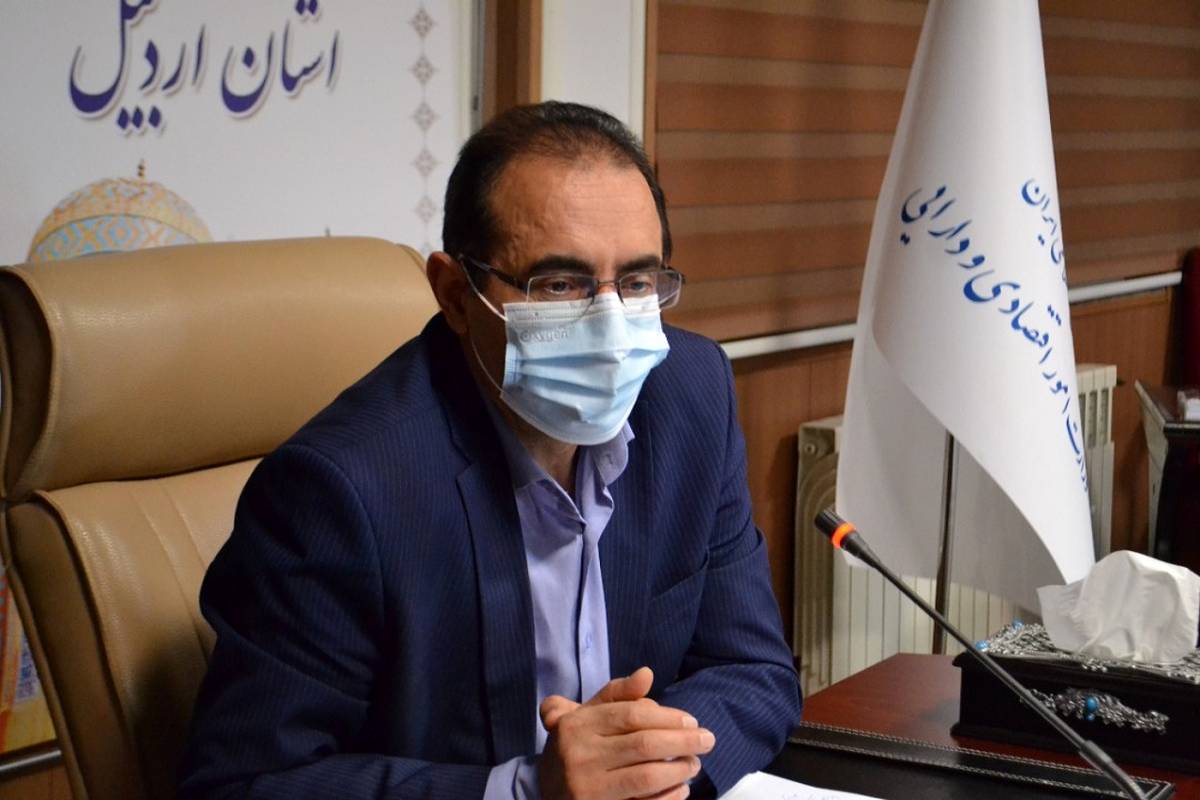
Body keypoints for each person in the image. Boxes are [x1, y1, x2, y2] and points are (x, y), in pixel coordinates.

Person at [179, 101, 801, 800]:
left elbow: (752, 670)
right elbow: (246, 783)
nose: (611, 329)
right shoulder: (339, 488)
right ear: (454, 293)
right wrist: (529, 791)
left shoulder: (689, 394)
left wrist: (647, 772)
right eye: (559, 284)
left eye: (636, 283)